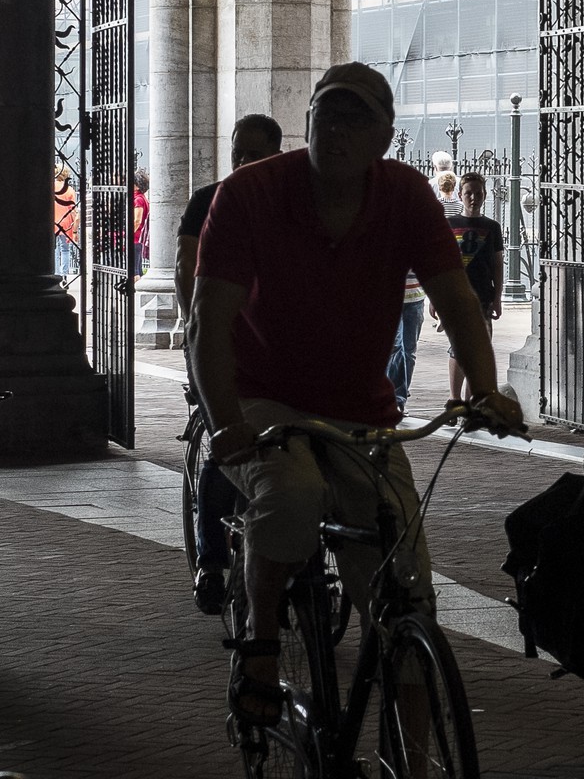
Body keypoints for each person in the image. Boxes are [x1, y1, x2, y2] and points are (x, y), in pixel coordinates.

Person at [189, 62, 523, 728]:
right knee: (291, 493)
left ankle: (419, 759)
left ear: (384, 137)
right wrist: (224, 421)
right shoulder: (249, 194)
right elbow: (209, 320)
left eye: (355, 119)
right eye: (326, 115)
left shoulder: (403, 195)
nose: (337, 130)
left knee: (402, 588)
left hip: (360, 406)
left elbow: (456, 300)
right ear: (305, 123)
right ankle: (259, 642)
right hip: (264, 393)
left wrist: (484, 390)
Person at [175, 113, 283, 614]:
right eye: (237, 152)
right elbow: (185, 270)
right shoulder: (207, 200)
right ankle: (211, 561)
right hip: (220, 341)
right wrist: (196, 330)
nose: (242, 162)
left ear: (276, 154)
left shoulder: (289, 201)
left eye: (253, 154)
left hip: (275, 343)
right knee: (226, 443)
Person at [445, 172, 505, 402]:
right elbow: (442, 261)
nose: (473, 198)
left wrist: (497, 296)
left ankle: (472, 402)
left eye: (478, 193)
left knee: (480, 349)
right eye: (468, 193)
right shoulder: (450, 225)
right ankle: (454, 398)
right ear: (460, 195)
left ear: (485, 196)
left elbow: (497, 263)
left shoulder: (492, 227)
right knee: (458, 347)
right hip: (456, 296)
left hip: (482, 296)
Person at [385, 268, 426, 418]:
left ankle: (399, 399)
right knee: (396, 347)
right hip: (391, 298)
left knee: (410, 352)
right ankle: (395, 399)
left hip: (416, 297)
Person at [53, 164, 77, 280]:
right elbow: (73, 210)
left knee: (54, 250)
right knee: (65, 250)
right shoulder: (69, 189)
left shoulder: (50, 186)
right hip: (66, 222)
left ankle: (56, 274)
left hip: (52, 222)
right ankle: (64, 275)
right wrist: (75, 225)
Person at [132, 168, 150, 275]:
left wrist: (128, 235)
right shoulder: (141, 198)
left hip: (135, 238)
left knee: (134, 271)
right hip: (138, 238)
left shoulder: (138, 199)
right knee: (137, 269)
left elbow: (137, 221)